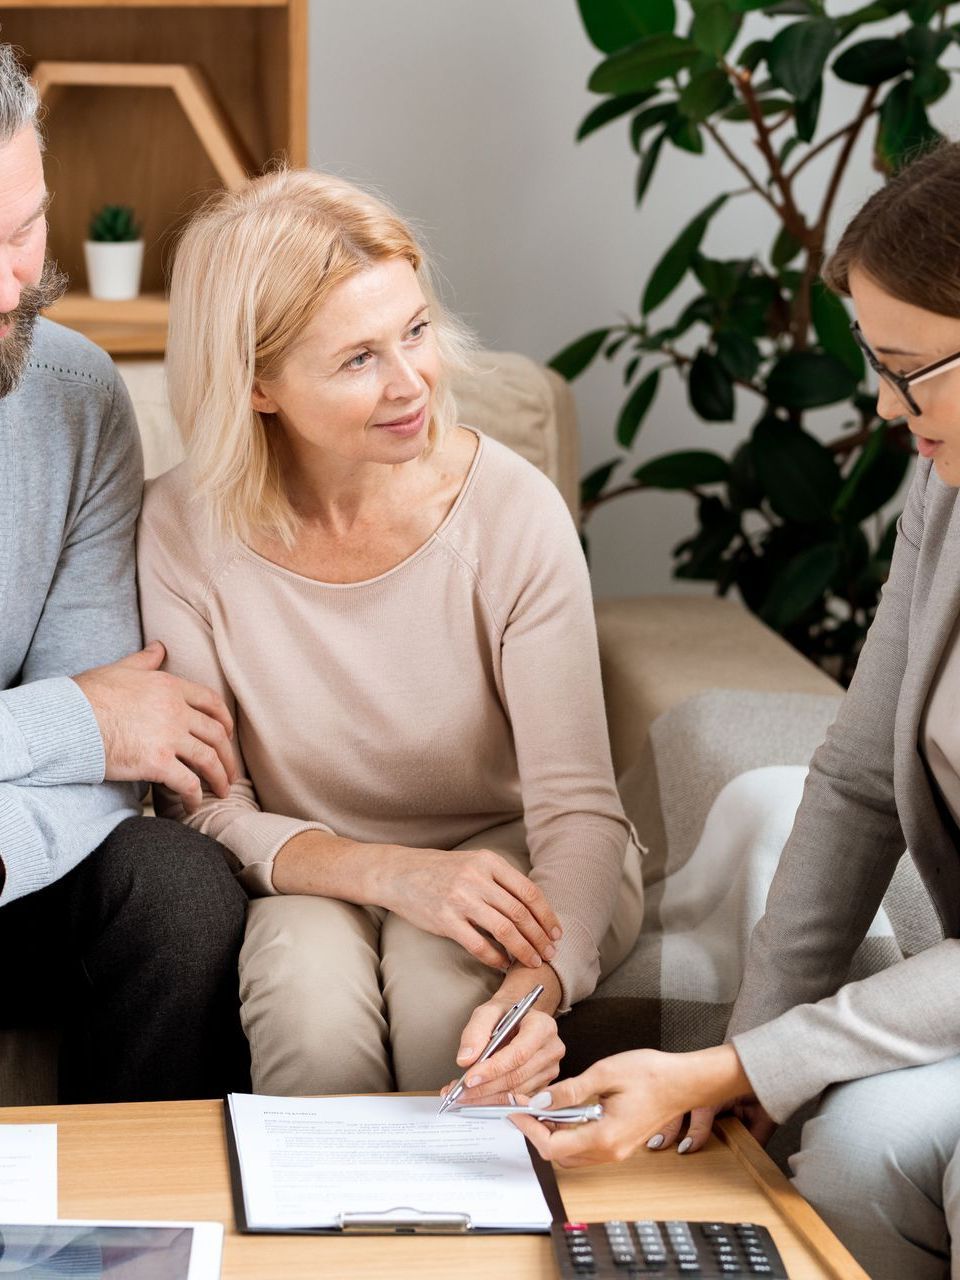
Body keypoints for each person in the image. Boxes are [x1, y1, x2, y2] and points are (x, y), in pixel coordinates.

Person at [513, 142, 960, 1280]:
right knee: (855, 1149)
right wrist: (747, 1073)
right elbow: (860, 776)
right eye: (874, 358)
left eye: (910, 367)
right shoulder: (941, 484)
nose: (882, 401)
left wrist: (741, 1065)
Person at [136, 168, 644, 1099]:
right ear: (258, 385)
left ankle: (476, 1244)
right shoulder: (179, 530)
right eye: (358, 359)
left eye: (414, 331)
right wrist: (390, 875)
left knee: (442, 1005)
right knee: (304, 1003)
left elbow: (578, 812)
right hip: (309, 866)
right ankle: (318, 1247)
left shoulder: (512, 514)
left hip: (521, 853)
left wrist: (535, 991)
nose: (413, 383)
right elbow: (210, 808)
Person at [0, 41, 250, 1102]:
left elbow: (120, 745)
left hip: (18, 856)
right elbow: (93, 719)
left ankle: (124, 1243)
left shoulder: (74, 392)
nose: (14, 280)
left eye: (22, 227)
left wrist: (85, 732)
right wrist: (72, 719)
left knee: (178, 887)